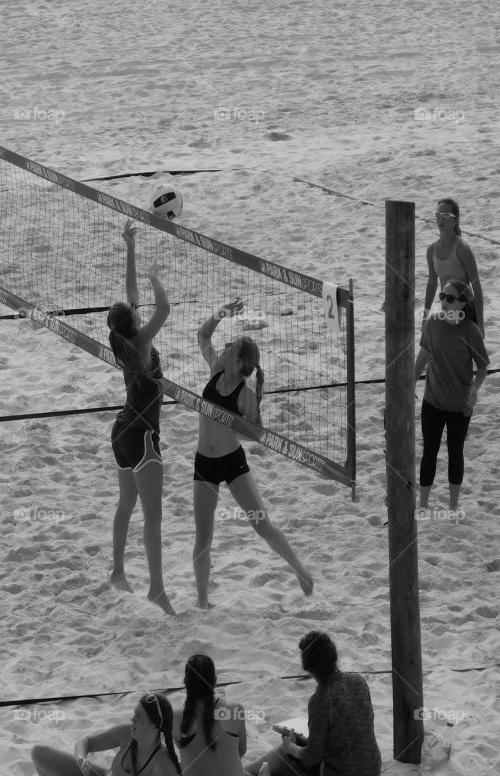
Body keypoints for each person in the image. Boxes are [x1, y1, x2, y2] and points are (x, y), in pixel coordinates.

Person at [193, 300, 313, 608]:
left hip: (233, 464)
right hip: (204, 464)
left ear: (239, 364)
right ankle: (203, 601)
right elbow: (202, 336)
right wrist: (221, 312)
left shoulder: (244, 395)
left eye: (230, 349)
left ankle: (301, 572)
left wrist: (248, 417)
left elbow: (256, 436)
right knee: (203, 536)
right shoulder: (216, 370)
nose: (223, 348)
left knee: (261, 524)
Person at [107, 219, 174, 615]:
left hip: (122, 432)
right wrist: (153, 275)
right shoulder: (142, 340)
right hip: (144, 434)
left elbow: (129, 299)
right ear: (133, 322)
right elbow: (162, 308)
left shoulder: (121, 341)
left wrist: (130, 249)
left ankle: (117, 571)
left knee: (125, 505)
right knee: (153, 519)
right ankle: (157, 590)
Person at [243, 631, 381, 776]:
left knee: (289, 754)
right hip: (372, 767)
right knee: (299, 746)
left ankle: (247, 771)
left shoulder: (319, 700)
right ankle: (249, 770)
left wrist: (290, 747)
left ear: (307, 668)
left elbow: (311, 757)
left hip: (343, 771)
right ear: (334, 656)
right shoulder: (358, 681)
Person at [415, 279, 489, 515]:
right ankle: (423, 506)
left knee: (455, 453)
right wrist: (409, 385)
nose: (443, 302)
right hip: (433, 400)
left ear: (462, 304)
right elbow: (423, 356)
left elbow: (482, 367)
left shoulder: (471, 331)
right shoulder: (433, 324)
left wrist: (474, 389)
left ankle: (453, 506)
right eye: (441, 297)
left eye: (449, 298)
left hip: (459, 404)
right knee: (430, 451)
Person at [32, 691, 182, 776]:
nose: (133, 719)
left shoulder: (162, 765)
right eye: (134, 714)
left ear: (155, 726)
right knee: (39, 753)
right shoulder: (126, 733)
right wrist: (81, 759)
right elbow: (86, 741)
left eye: (139, 717)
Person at [175, 653, 247, 776]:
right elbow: (241, 751)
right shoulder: (235, 710)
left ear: (185, 682)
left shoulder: (174, 716)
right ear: (215, 681)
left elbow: (186, 753)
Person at [423, 198, 483, 332]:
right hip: (445, 309)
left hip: (464, 310)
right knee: (430, 348)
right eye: (438, 215)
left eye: (446, 215)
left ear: (454, 221)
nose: (441, 219)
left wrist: (481, 325)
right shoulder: (431, 249)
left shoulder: (463, 249)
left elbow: (477, 287)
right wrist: (425, 315)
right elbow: (432, 283)